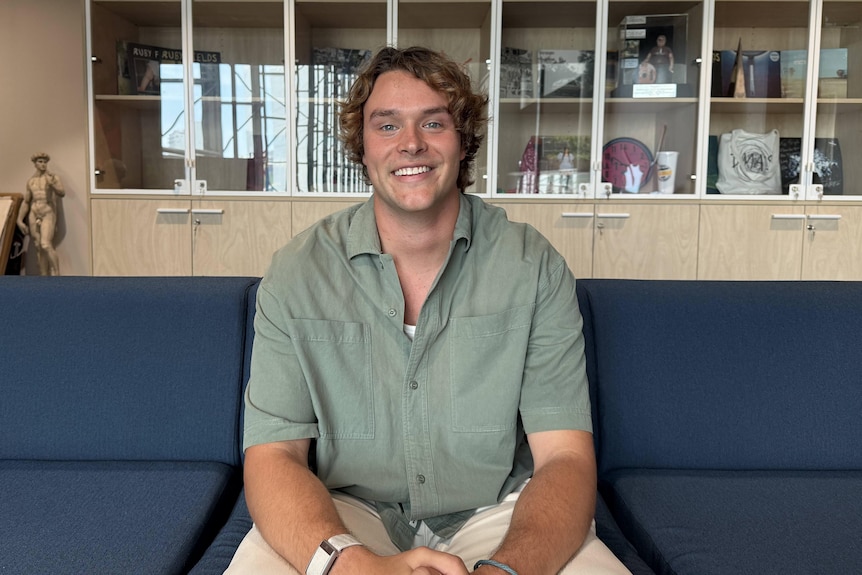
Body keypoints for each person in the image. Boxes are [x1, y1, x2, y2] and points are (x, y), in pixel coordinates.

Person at [227, 46, 631, 575]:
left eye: (434, 123)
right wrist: (352, 566)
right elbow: (273, 457)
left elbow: (565, 459)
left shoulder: (532, 266)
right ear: (362, 146)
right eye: (387, 126)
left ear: (463, 141)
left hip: (501, 513)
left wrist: (504, 571)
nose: (411, 144)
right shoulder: (298, 272)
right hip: (343, 513)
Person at [19, 153, 65, 276]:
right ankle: (43, 276)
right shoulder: (31, 181)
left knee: (45, 244)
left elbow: (62, 192)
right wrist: (19, 220)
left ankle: (56, 274)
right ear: (35, 164)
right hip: (34, 212)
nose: (43, 164)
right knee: (38, 245)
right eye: (40, 161)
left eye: (45, 162)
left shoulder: (53, 177)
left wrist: (52, 184)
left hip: (47, 211)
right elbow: (26, 201)